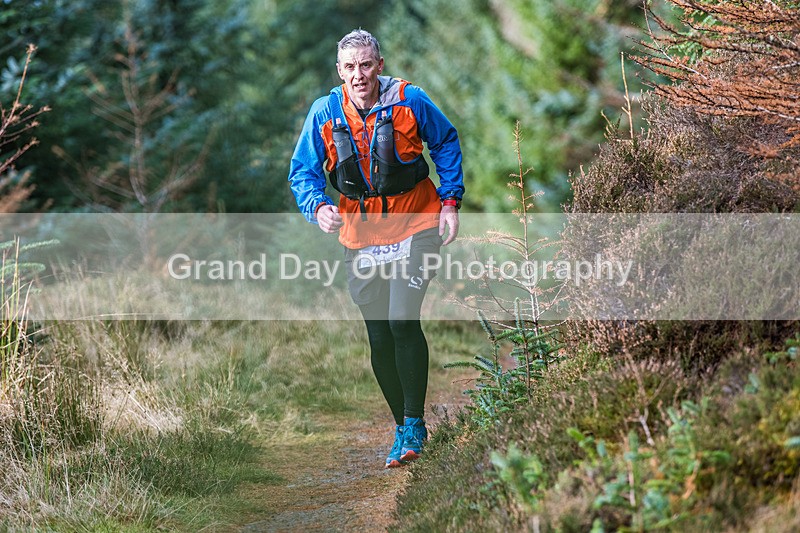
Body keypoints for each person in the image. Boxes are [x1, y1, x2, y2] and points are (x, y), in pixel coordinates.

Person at [288, 29, 464, 468]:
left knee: (402, 320)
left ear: (379, 65)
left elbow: (445, 141)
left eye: (366, 64)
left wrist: (449, 201)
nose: (359, 75)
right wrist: (318, 207)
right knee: (380, 333)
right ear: (339, 71)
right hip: (361, 233)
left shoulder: (410, 99)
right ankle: (402, 427)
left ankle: (415, 424)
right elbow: (302, 172)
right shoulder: (325, 111)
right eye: (350, 67)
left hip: (416, 221)